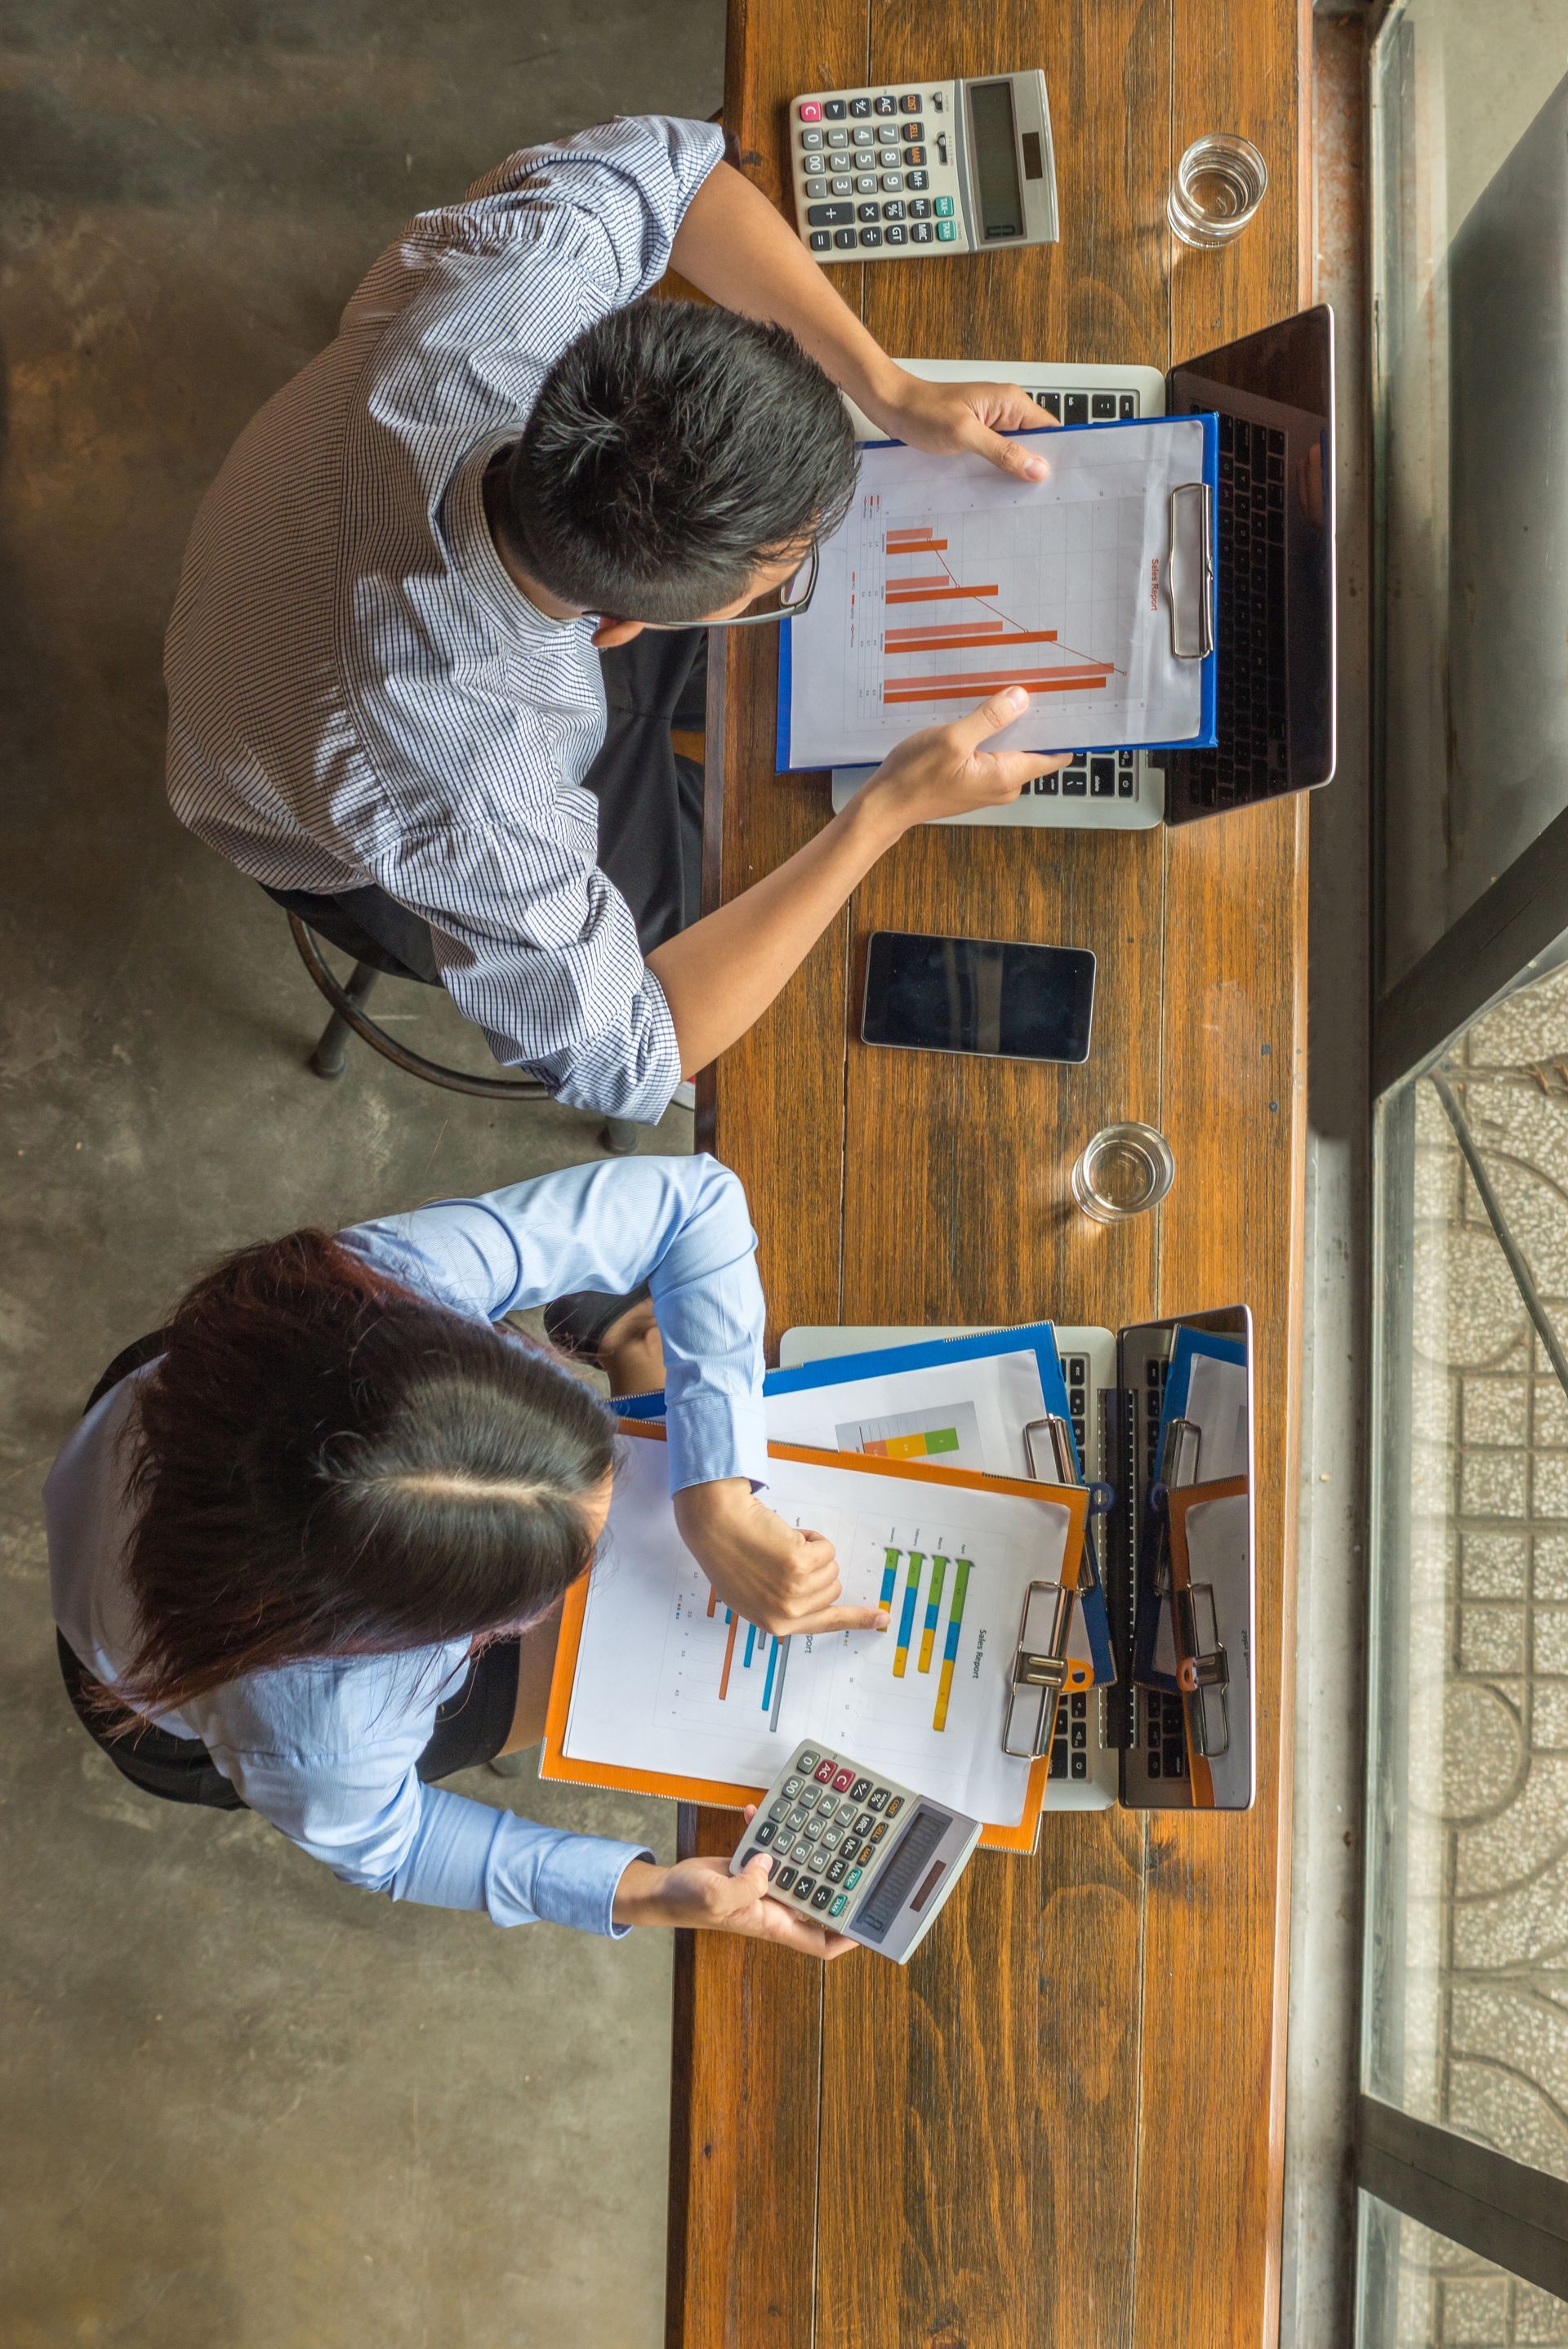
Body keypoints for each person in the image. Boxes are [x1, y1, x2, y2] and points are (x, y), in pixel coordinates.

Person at [165, 114, 1066, 1122]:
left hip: (317, 584)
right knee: (722, 879)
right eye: (782, 575)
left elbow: (682, 176)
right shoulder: (470, 804)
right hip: (337, 817)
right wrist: (880, 816)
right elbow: (632, 1056)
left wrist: (886, 383)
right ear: (627, 624)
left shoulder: (498, 306)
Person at [44, 1156, 878, 1955]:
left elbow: (695, 1201)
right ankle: (636, 1335)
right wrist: (638, 1890)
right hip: (166, 1678)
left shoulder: (389, 1285)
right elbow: (392, 1845)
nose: (601, 1556)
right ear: (405, 1636)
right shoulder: (317, 1737)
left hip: (190, 1399)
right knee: (569, 1687)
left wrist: (717, 1501)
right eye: (542, 1592)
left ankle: (633, 1336)